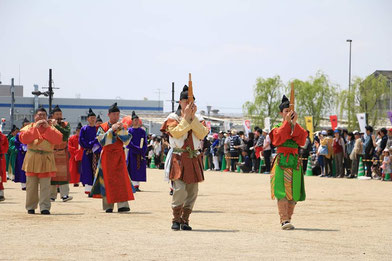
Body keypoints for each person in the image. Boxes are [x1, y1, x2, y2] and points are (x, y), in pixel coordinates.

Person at [160, 85, 209, 231]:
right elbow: (176, 133)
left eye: (191, 101)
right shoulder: (172, 117)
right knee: (179, 189)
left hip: (193, 157)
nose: (189, 104)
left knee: (193, 190)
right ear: (180, 102)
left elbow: (202, 134)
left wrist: (191, 118)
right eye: (186, 101)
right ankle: (176, 218)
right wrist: (186, 119)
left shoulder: (199, 118)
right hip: (179, 156)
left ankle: (185, 219)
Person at [269, 95, 307, 230]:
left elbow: (302, 141)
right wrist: (287, 123)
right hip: (281, 162)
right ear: (281, 113)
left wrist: (294, 124)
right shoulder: (276, 127)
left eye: (291, 112)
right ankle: (284, 219)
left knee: (294, 192)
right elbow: (278, 139)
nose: (289, 114)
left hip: (295, 162)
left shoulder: (298, 127)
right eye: (286, 111)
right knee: (281, 191)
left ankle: (288, 218)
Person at [90, 102, 134, 213]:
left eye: (117, 114)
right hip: (107, 156)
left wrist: (120, 130)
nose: (116, 117)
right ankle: (108, 205)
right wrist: (111, 130)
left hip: (119, 155)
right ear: (108, 115)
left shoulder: (122, 126)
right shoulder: (102, 127)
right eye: (114, 114)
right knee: (106, 180)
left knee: (121, 179)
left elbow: (127, 140)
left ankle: (122, 204)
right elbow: (101, 141)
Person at [19, 107, 63, 214]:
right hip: (32, 158)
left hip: (46, 158)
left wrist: (48, 128)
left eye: (44, 115)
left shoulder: (52, 128)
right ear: (35, 116)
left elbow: (58, 139)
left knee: (45, 186)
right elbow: (23, 139)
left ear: (47, 117)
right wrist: (35, 129)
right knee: (31, 185)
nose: (41, 117)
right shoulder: (29, 127)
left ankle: (45, 207)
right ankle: (30, 206)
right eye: (39, 115)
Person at [50, 105, 73, 202]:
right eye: (57, 114)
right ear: (53, 116)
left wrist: (57, 126)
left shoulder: (65, 124)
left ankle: (64, 195)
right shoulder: (49, 125)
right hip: (51, 152)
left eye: (60, 114)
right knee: (52, 174)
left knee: (64, 174)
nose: (59, 116)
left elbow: (65, 135)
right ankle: (51, 196)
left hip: (63, 152)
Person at [79, 108, 100, 194]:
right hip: (87, 152)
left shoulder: (98, 129)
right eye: (91, 118)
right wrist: (91, 143)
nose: (93, 119)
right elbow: (81, 140)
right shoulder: (84, 129)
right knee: (87, 170)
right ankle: (88, 189)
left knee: (96, 170)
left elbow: (100, 140)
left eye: (94, 118)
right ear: (88, 119)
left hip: (96, 153)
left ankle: (96, 189)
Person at [126, 111, 147, 192]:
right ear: (132, 121)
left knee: (139, 168)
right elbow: (128, 142)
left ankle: (137, 186)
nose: (136, 121)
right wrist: (136, 148)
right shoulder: (129, 131)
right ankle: (133, 185)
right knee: (132, 168)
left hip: (140, 153)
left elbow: (145, 142)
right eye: (135, 120)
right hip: (132, 152)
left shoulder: (142, 131)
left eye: (137, 120)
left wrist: (142, 149)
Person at [14, 118, 30, 190]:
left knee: (30, 168)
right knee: (22, 168)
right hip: (22, 153)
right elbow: (16, 143)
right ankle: (23, 184)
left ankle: (30, 184)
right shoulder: (19, 134)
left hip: (31, 153)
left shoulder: (32, 133)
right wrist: (22, 147)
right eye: (25, 125)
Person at [0, 129, 9, 201]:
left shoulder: (3, 137)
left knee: (0, 175)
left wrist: (1, 150)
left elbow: (6, 146)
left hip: (1, 158)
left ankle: (1, 193)